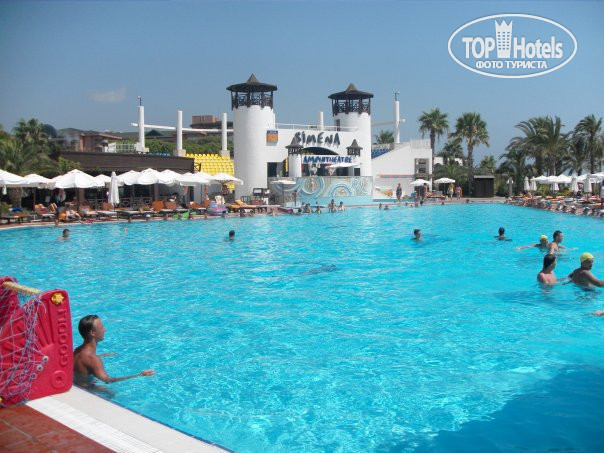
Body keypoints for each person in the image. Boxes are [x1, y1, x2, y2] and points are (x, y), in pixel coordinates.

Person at [73, 315, 155, 389]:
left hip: (77, 384)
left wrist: (101, 355)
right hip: (88, 389)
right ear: (92, 333)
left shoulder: (78, 350)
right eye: (101, 327)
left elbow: (85, 362)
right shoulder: (93, 359)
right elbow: (108, 380)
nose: (104, 330)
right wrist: (140, 375)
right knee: (111, 393)